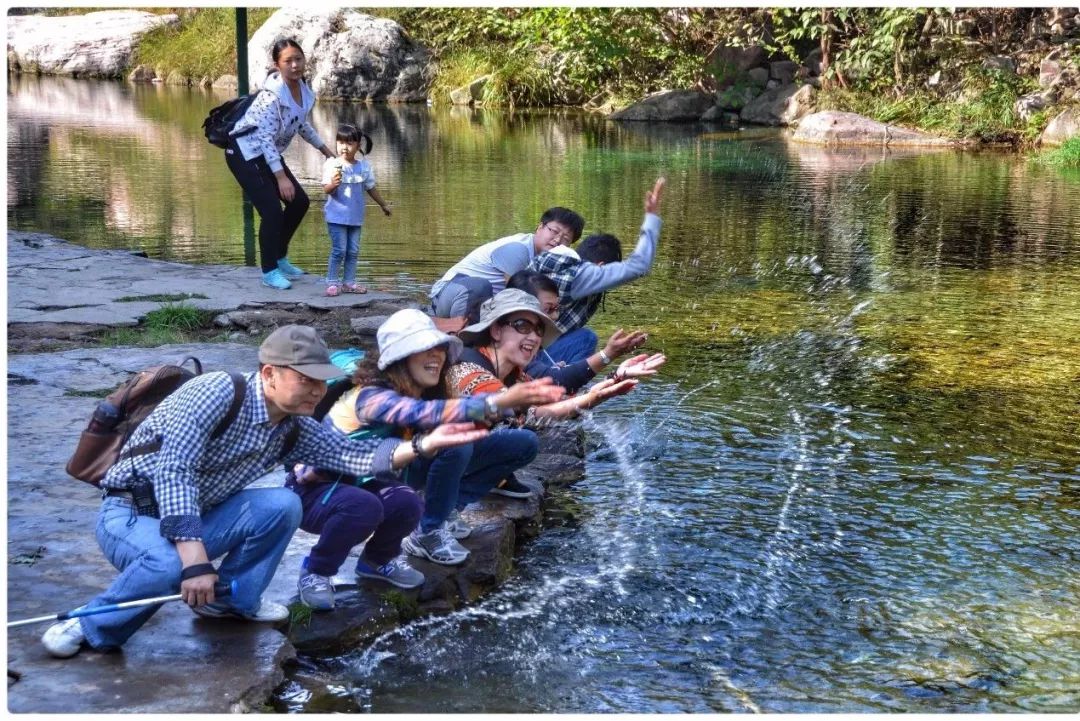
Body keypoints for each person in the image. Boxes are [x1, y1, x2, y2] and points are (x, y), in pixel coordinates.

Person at [41, 325, 487, 658]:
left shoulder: (294, 424)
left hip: (199, 516)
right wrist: (196, 562)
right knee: (167, 563)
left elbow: (351, 456)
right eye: (306, 379)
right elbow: (175, 474)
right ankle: (92, 624)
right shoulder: (214, 392)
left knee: (282, 503)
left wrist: (423, 445)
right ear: (269, 373)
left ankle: (232, 601)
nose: (319, 389)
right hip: (131, 515)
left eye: (321, 379)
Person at [297, 309, 564, 572]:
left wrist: (578, 401)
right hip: (342, 485)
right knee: (450, 445)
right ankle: (425, 531)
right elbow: (420, 413)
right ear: (399, 358)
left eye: (439, 348)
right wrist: (499, 400)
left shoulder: (427, 389)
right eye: (424, 348)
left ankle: (442, 512)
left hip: (394, 468)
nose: (436, 355)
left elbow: (450, 409)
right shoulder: (371, 395)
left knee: (522, 443)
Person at [226, 38, 336, 290]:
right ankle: (269, 271)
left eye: (298, 59)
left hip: (266, 154)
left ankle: (279, 256)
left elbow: (301, 123)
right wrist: (281, 177)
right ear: (277, 65)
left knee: (299, 202)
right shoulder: (271, 96)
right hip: (244, 153)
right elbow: (264, 137)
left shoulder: (303, 91)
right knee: (272, 211)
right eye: (288, 61)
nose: (295, 65)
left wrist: (325, 149)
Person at [526, 178, 666, 364]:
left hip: (514, 342)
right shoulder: (582, 275)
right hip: (529, 353)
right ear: (600, 267)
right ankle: (561, 383)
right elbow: (638, 267)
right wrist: (652, 218)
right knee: (586, 338)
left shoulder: (549, 259)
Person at [506, 269, 667, 394]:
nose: (555, 316)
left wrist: (616, 378)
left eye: (557, 309)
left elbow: (562, 402)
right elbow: (555, 386)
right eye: (549, 309)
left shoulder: (526, 346)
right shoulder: (502, 356)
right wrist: (608, 355)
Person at [429, 207, 586, 322]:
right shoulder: (518, 248)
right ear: (539, 227)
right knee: (481, 287)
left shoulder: (546, 262)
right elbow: (515, 295)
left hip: (478, 303)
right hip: (448, 293)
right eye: (554, 231)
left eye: (566, 238)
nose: (557, 240)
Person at [321, 124, 391, 297]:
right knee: (339, 250)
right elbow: (326, 190)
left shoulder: (363, 167)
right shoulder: (332, 165)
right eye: (341, 142)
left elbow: (371, 188)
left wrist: (383, 204)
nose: (344, 147)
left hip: (355, 218)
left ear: (358, 146)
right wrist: (333, 184)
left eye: (350, 143)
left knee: (353, 250)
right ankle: (332, 282)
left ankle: (349, 282)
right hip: (336, 217)